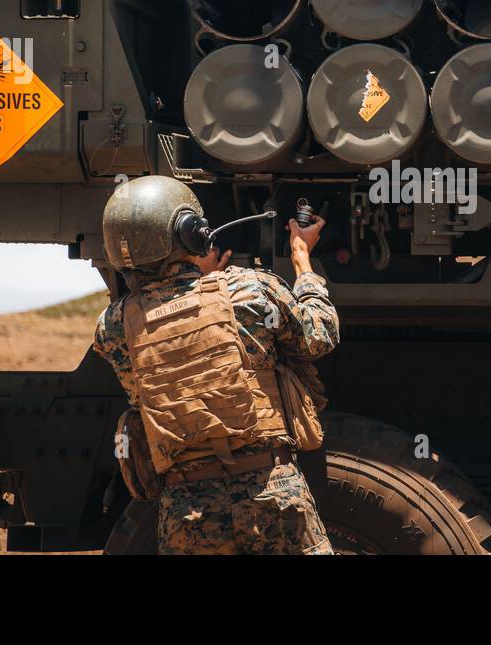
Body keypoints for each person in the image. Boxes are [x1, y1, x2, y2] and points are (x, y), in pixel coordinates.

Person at [94, 175, 339, 554]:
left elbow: (174, 318)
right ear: (192, 233)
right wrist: (302, 260)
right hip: (271, 494)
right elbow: (320, 334)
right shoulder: (248, 290)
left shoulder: (112, 328)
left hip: (185, 512)